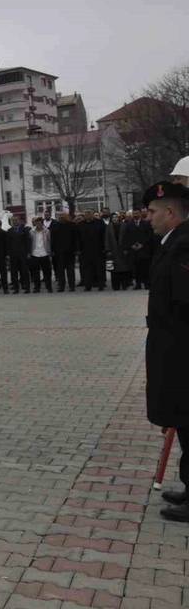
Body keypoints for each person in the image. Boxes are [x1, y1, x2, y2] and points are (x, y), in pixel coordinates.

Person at [140, 181, 189, 523]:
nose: (148, 218)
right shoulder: (173, 242)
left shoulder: (184, 246)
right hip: (174, 348)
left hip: (181, 351)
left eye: (153, 212)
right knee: (184, 421)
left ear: (170, 212)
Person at [123, 208, 154, 290]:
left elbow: (149, 235)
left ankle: (146, 284)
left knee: (145, 267)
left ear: (140, 214)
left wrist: (142, 244)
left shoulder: (146, 223)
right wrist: (131, 245)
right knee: (135, 268)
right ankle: (138, 284)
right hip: (133, 250)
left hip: (144, 249)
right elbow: (126, 236)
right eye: (134, 213)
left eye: (137, 213)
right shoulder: (128, 224)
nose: (135, 215)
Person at [77, 210, 106, 291]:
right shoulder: (80, 224)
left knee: (99, 268)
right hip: (85, 250)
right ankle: (88, 286)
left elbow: (104, 236)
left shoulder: (100, 223)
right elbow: (78, 238)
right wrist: (78, 249)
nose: (87, 214)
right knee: (87, 269)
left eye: (89, 212)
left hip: (98, 249)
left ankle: (100, 285)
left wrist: (104, 248)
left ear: (93, 214)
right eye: (86, 213)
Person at [51, 211, 78, 292]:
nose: (62, 216)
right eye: (60, 215)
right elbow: (52, 239)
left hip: (70, 251)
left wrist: (76, 249)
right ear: (58, 217)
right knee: (60, 271)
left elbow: (75, 238)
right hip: (58, 252)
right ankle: (61, 286)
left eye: (63, 215)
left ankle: (72, 286)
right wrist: (52, 250)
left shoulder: (72, 225)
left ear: (67, 216)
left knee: (70, 270)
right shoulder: (55, 225)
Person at [104, 212, 131, 290]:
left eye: (116, 217)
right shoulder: (109, 227)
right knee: (114, 269)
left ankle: (124, 285)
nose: (114, 219)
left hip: (122, 250)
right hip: (113, 250)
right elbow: (106, 238)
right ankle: (116, 286)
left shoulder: (124, 226)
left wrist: (126, 248)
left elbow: (127, 238)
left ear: (119, 218)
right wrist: (108, 249)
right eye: (113, 217)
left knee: (124, 269)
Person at [29, 216, 53, 294]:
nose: (38, 225)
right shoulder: (31, 232)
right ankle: (37, 288)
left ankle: (49, 287)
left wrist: (50, 252)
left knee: (47, 272)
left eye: (39, 223)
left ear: (42, 223)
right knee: (36, 273)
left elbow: (50, 241)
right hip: (35, 254)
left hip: (44, 253)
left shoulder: (47, 231)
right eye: (36, 223)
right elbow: (29, 242)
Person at [8, 215, 32, 294]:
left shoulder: (24, 230)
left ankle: (27, 287)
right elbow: (8, 244)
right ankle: (16, 288)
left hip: (23, 254)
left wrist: (28, 252)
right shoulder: (9, 231)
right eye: (13, 220)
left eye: (16, 220)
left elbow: (28, 242)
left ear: (19, 221)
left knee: (24, 271)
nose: (15, 221)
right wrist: (8, 254)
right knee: (14, 272)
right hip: (13, 255)